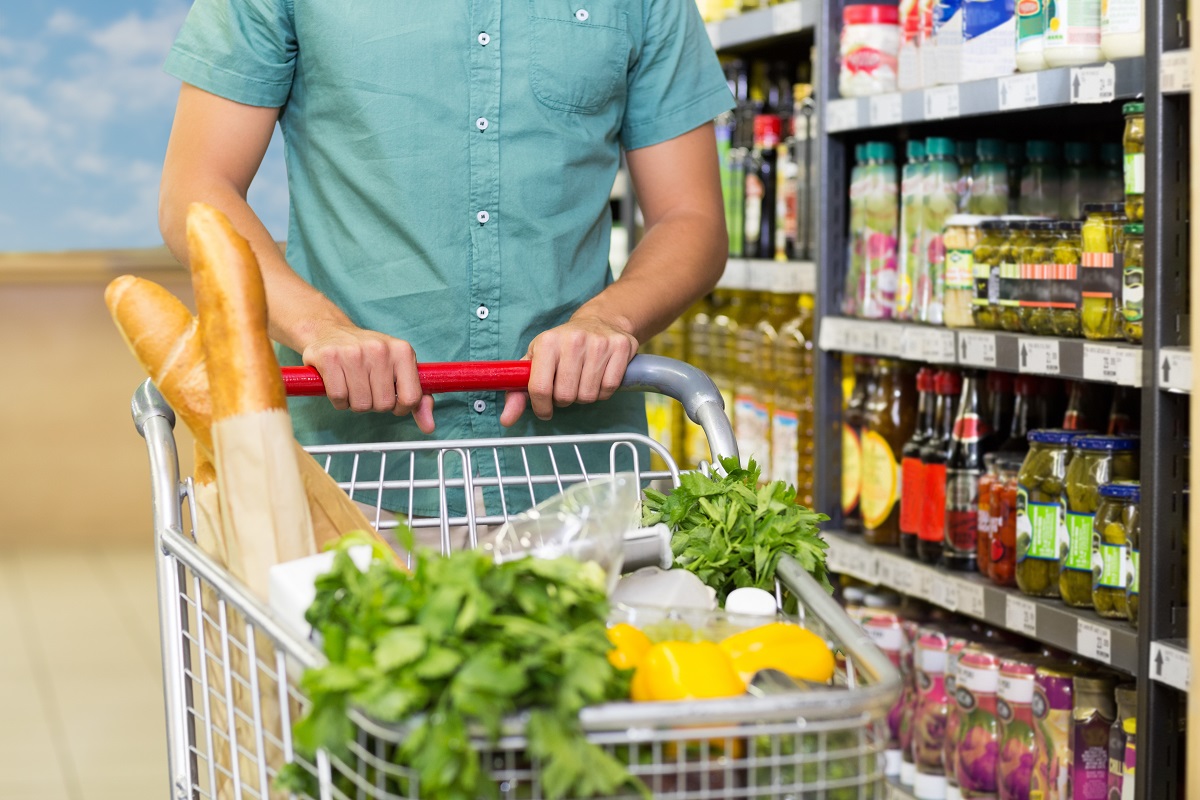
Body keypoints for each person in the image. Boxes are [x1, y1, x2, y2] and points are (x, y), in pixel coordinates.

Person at [158, 1, 732, 519]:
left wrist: (611, 319)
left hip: (577, 479)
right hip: (350, 480)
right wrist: (321, 328)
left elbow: (691, 219)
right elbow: (198, 188)